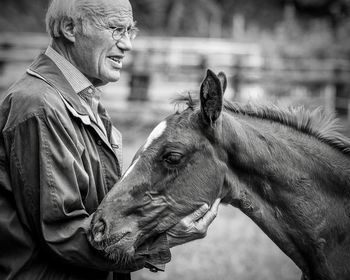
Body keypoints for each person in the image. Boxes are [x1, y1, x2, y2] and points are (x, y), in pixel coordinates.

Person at [0, 0, 220, 279]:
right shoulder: (39, 106)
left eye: (131, 31)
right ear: (70, 28)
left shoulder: (84, 101)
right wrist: (162, 241)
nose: (128, 44)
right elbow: (61, 233)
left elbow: (105, 213)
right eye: (117, 29)